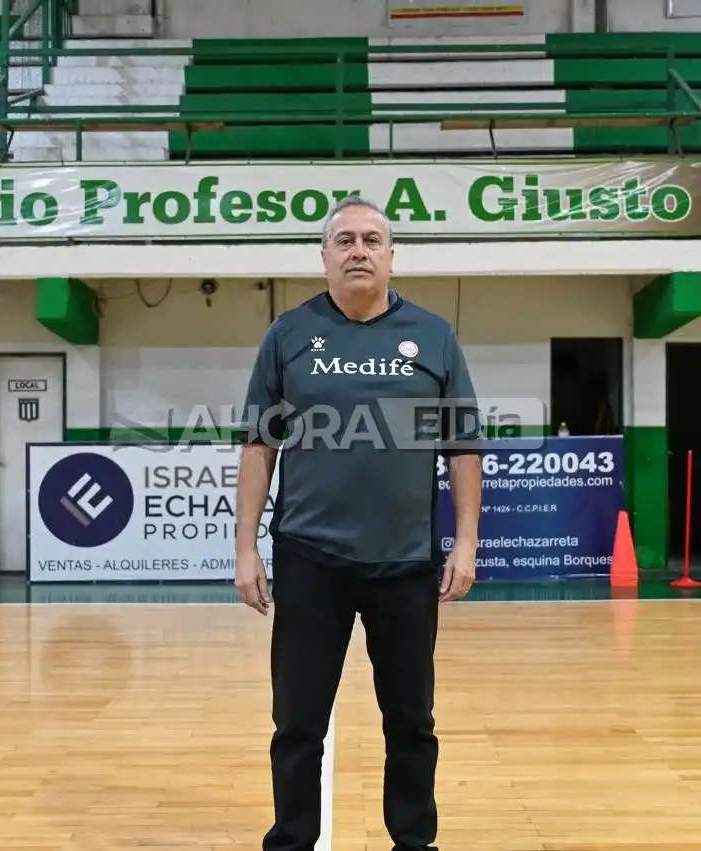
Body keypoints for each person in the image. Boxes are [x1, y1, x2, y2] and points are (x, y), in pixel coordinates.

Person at [234, 195, 484, 851]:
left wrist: (466, 540)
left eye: (372, 239)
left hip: (404, 562)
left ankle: (413, 840)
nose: (358, 251)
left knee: (410, 720)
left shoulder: (435, 336)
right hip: (309, 559)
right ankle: (291, 839)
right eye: (344, 241)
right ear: (323, 257)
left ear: (392, 255)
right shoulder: (288, 335)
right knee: (296, 722)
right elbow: (258, 447)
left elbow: (462, 446)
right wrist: (245, 550)